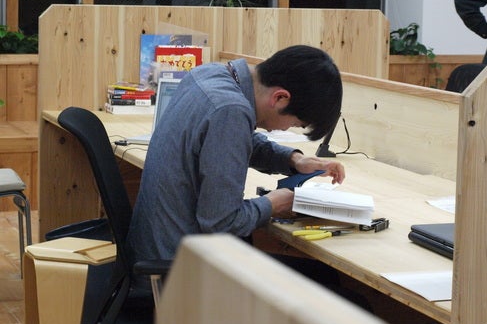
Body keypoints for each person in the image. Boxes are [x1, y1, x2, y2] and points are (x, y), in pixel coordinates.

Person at [127, 45, 344, 275]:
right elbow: (222, 222)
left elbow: (232, 141)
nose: (286, 128)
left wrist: (293, 160)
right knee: (333, 282)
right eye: (295, 124)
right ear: (280, 98)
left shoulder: (210, 74)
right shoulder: (230, 110)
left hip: (156, 249)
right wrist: (272, 204)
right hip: (179, 272)